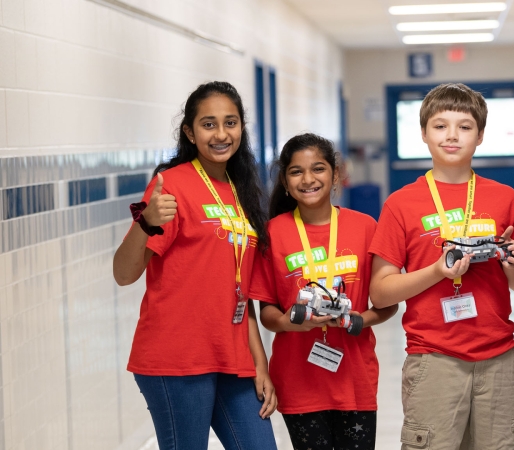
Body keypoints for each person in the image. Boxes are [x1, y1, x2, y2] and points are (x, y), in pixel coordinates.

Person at [112, 81, 278, 450]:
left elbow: (242, 291)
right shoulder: (169, 185)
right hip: (177, 358)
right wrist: (145, 222)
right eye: (209, 124)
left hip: (231, 357)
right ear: (189, 131)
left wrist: (259, 362)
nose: (221, 134)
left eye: (230, 123)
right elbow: (124, 274)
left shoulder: (242, 190)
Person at [369, 83, 514, 450]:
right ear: (424, 133)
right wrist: (436, 272)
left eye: (465, 126)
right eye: (441, 126)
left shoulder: (504, 197)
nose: (452, 135)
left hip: (498, 357)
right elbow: (380, 291)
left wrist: (512, 260)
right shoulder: (401, 204)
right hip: (434, 359)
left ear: (481, 135)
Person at [250, 133, 398, 450]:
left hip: (355, 378)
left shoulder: (365, 227)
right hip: (298, 379)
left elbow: (388, 305)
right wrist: (292, 322)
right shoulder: (272, 233)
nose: (308, 179)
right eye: (296, 171)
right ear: (286, 182)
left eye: (318, 168)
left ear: (335, 174)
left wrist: (360, 320)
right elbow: (266, 314)